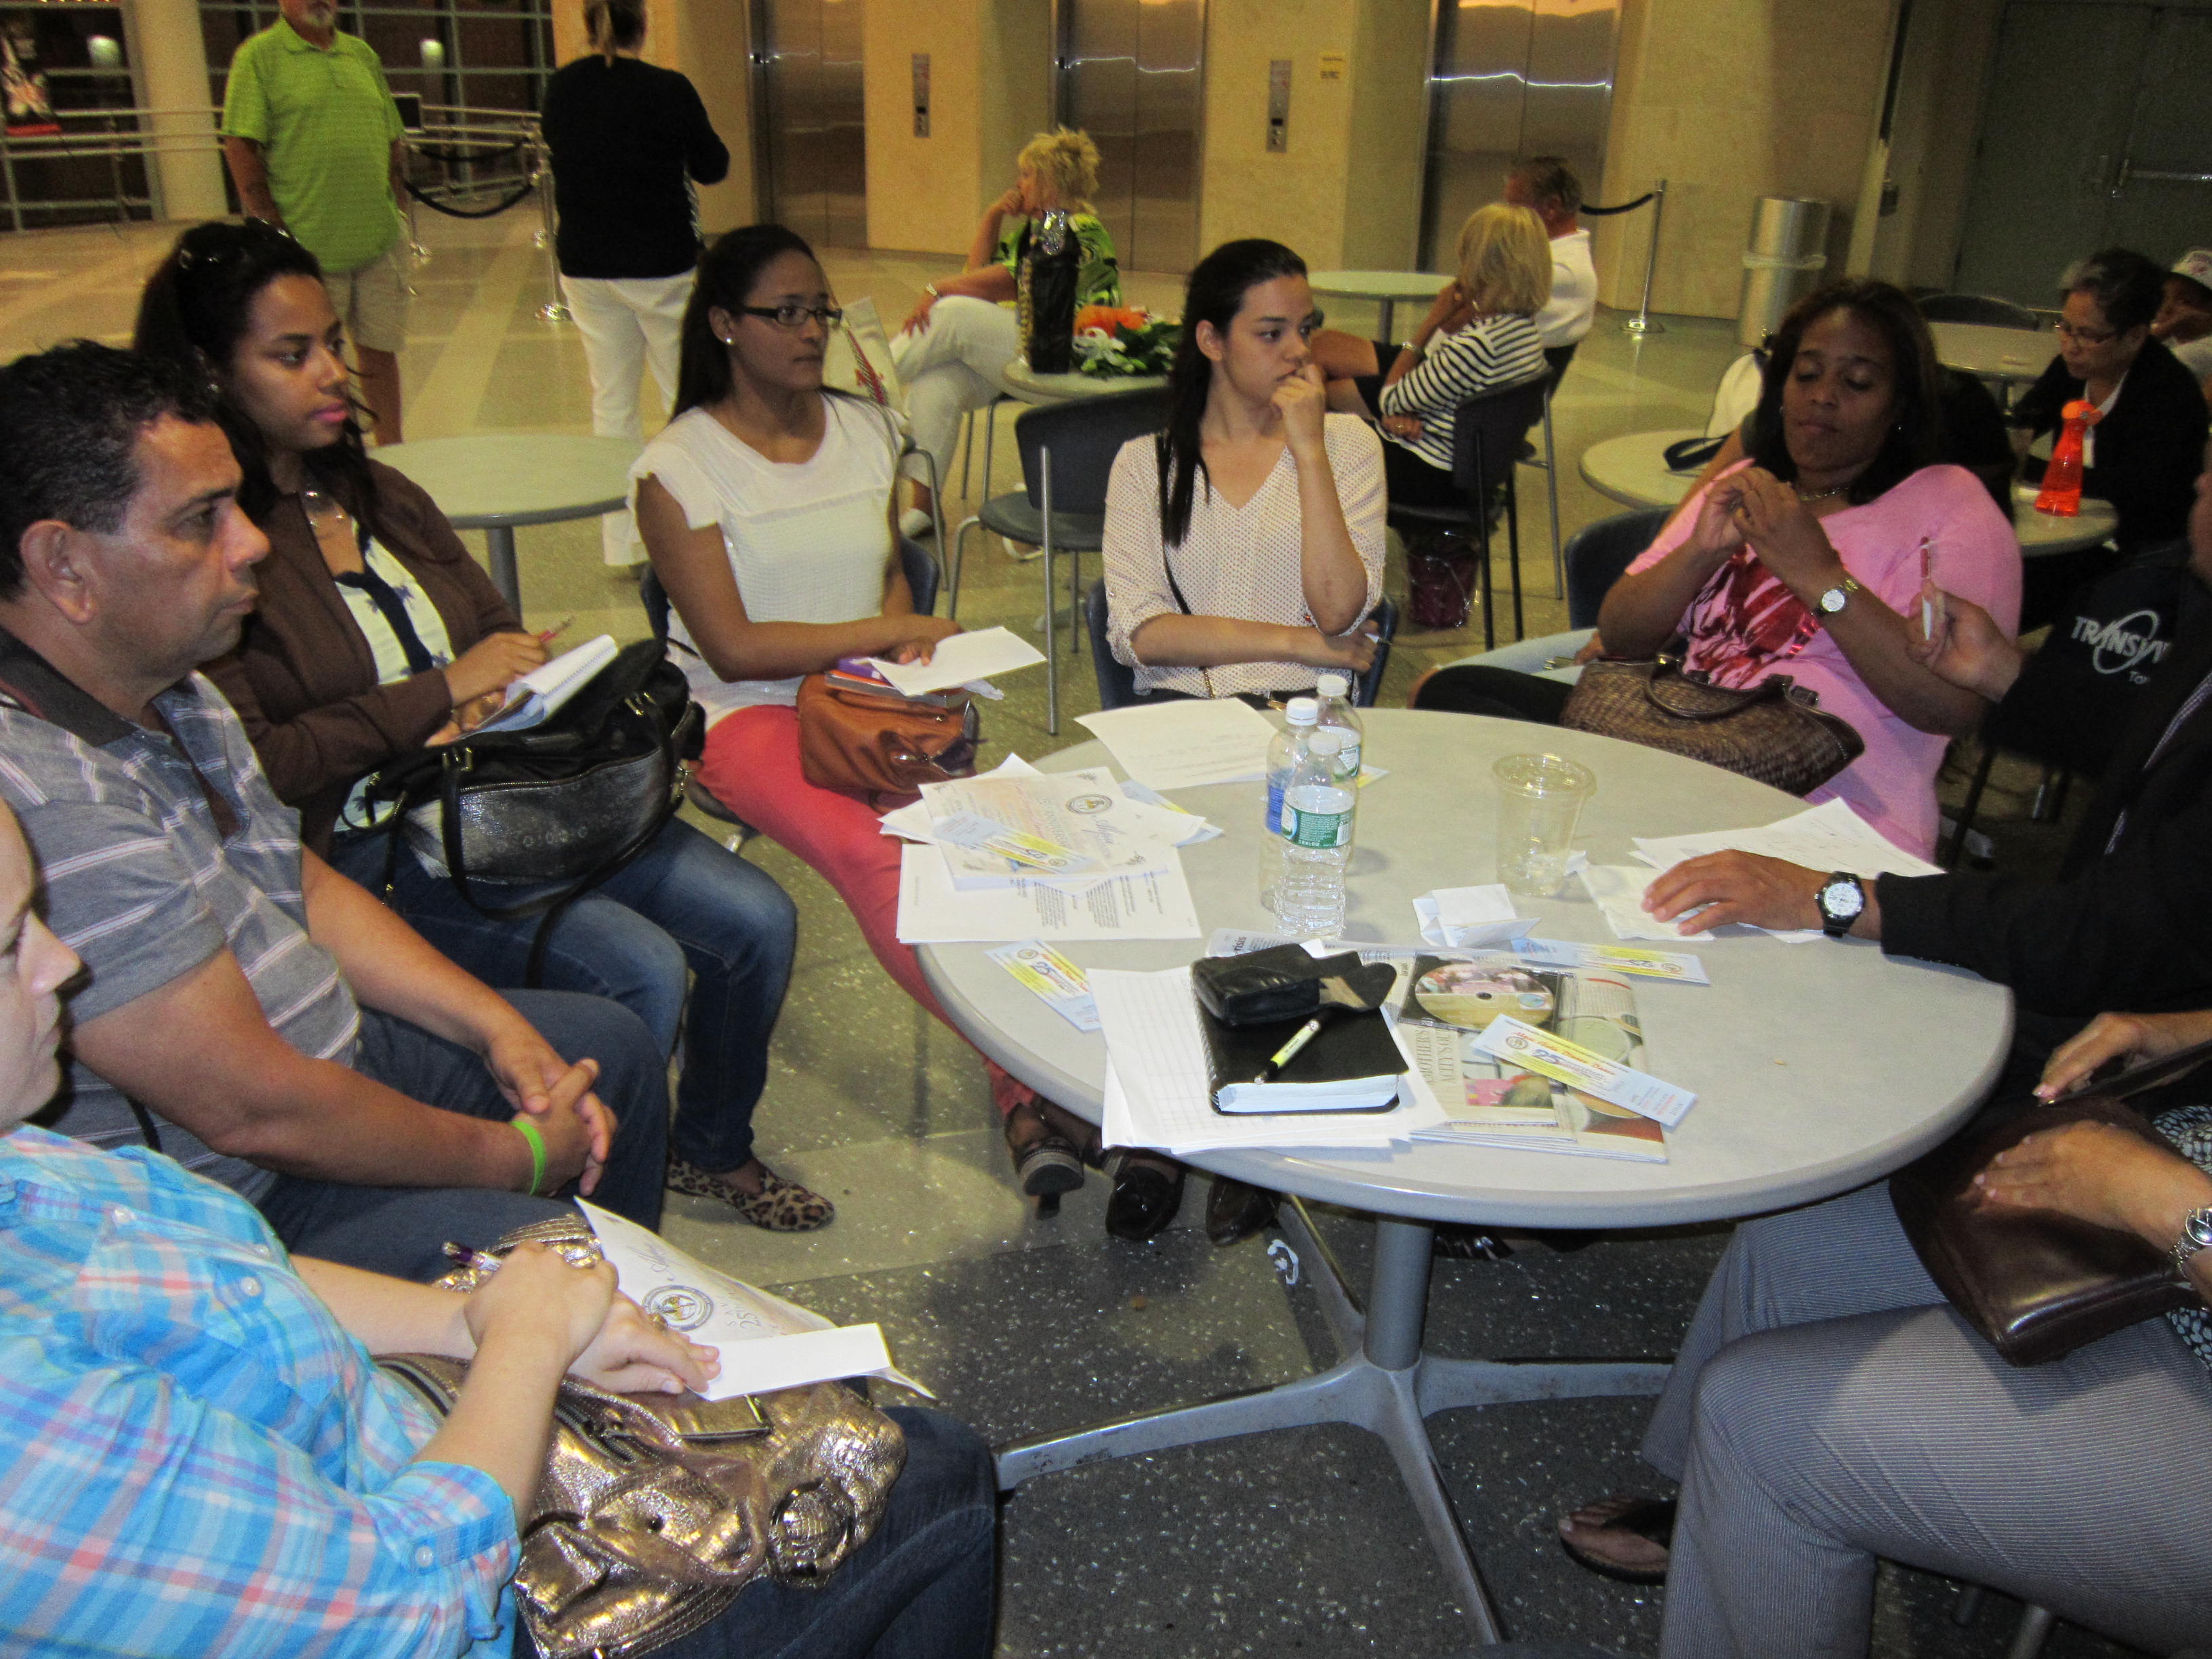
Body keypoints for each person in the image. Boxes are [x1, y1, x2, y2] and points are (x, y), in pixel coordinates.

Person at [0, 798, 998, 1659]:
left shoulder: (26, 1164)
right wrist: (525, 1340)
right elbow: (418, 1606)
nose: (64, 959)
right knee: (933, 1472)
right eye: (9, 946)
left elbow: (236, 1269)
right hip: (462, 1590)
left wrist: (469, 1320)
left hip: (391, 1441)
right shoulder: (29, 1433)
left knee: (789, 1405)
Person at [136, 222, 823, 1233]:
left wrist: (501, 686)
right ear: (209, 372)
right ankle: (587, 1220)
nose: (334, 372)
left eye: (333, 342)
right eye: (292, 354)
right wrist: (436, 695)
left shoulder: (379, 495)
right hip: (381, 847)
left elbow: (494, 629)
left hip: (513, 794)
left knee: (755, 920)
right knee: (636, 970)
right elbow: (267, 761)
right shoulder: (216, 557)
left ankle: (708, 1147)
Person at [0, 340, 670, 1280]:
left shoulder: (172, 686)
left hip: (328, 1058)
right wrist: (518, 1160)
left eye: (237, 505)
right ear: (64, 565)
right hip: (239, 1200)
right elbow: (254, 1112)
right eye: (199, 520)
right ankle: (598, 1318)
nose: (253, 542)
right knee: (564, 1265)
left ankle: (630, 1305)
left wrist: (495, 1027)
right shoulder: (44, 801)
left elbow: (298, 880)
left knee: (605, 1049)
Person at [1555, 1005, 2212, 1657]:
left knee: (1758, 1419)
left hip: (2189, 1304)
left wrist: (2159, 1199)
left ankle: (1762, 1497)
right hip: (2163, 1219)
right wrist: (2184, 1032)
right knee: (1796, 1236)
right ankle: (1711, 1515)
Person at [1638, 434, 2212, 1087]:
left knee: (1811, 1058)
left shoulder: (1951, 507)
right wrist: (2006, 674)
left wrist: (1828, 896)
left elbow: (2096, 935)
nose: (2199, 484)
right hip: (2102, 965)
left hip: (2130, 1021)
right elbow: (2160, 741)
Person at [1415, 278, 2022, 861]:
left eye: (1857, 382)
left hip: (1824, 803)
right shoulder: (1746, 484)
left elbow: (1952, 707)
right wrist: (1701, 552)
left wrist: (1820, 577)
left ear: (1901, 405)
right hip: (1676, 742)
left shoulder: (1947, 504)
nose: (1823, 396)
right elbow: (1622, 636)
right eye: (1806, 374)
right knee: (1455, 697)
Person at [540, 0, 729, 567]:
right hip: (661, 263)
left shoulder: (563, 87)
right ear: (643, 26)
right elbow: (713, 166)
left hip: (586, 263)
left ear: (587, 26)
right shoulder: (668, 88)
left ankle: (622, 545)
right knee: (684, 396)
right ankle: (694, 532)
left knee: (612, 401)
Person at [890, 128, 1122, 537]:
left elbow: (1008, 283)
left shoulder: (1070, 225)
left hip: (1065, 361)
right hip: (1025, 356)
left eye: (1028, 175)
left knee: (953, 312)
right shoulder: (1033, 231)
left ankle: (867, 382)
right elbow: (975, 275)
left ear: (1050, 182)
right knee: (934, 381)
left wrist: (936, 288)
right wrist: (992, 216)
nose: (1019, 184)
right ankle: (924, 509)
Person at [220, 0, 411, 441]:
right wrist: (272, 228)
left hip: (379, 240)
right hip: (307, 247)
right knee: (314, 363)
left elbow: (392, 137)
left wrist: (396, 206)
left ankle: (393, 452)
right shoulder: (259, 57)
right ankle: (329, 457)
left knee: (381, 351)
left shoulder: (361, 55)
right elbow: (241, 146)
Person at [1309, 204, 1551, 510]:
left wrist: (1431, 322)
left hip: (1431, 476)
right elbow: (1427, 389)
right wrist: (1397, 413)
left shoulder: (1479, 343)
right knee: (1330, 393)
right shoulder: (1524, 330)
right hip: (1464, 469)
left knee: (1310, 431)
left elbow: (1391, 400)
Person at [2013, 247, 2209, 552]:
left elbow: (2131, 488)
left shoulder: (2169, 392)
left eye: (2089, 335)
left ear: (2135, 336)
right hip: (2074, 528)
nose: (2070, 345)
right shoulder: (2073, 368)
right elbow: (2025, 420)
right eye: (2065, 328)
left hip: (2142, 548)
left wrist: (2028, 467)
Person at [1503, 153, 1597, 381]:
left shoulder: (1558, 272)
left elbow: (1467, 325)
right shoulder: (1545, 258)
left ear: (1551, 207)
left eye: (1515, 206)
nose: (1506, 217)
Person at [2153, 245, 2212, 401]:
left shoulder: (2205, 350)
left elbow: (2117, 365)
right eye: (2165, 297)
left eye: (2185, 301)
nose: (2167, 308)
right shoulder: (2166, 334)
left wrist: (2167, 328)